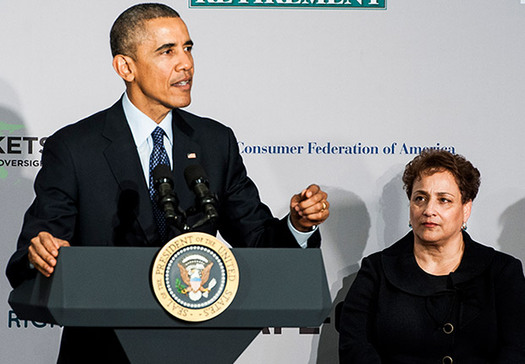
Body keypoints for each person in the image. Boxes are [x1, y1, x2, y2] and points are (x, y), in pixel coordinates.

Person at [5, 3, 330, 363]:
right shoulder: (74, 148)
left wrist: (298, 226)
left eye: (188, 48)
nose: (186, 63)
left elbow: (258, 244)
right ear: (125, 67)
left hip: (196, 348)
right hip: (102, 353)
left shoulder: (214, 142)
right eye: (167, 51)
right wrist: (41, 254)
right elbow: (26, 260)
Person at [338, 149, 525, 363]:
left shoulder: (502, 272)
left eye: (444, 200)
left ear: (466, 209)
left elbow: (517, 350)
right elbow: (354, 348)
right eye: (420, 198)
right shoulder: (377, 270)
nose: (429, 210)